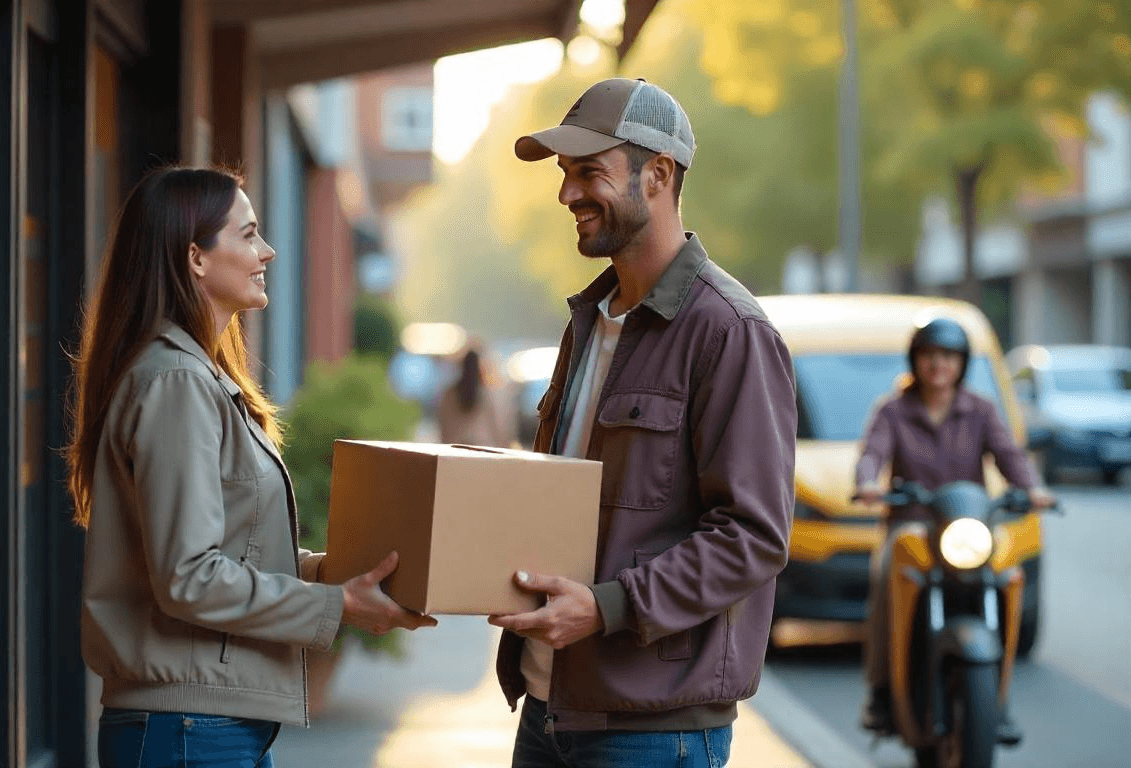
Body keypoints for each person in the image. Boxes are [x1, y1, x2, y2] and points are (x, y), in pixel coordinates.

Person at [66, 166, 435, 768]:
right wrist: (336, 605)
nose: (268, 250)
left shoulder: (192, 377)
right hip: (187, 730)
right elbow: (189, 576)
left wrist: (333, 574)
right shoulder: (177, 383)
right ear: (197, 258)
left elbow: (222, 554)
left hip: (204, 726)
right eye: (249, 234)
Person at [486, 77, 797, 768]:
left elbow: (753, 536)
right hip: (547, 708)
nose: (566, 194)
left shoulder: (728, 330)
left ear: (657, 175)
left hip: (652, 731)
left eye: (589, 172)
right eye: (565, 175)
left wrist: (605, 607)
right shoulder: (587, 323)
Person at [854, 316, 1054, 743]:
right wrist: (868, 482)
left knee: (1008, 578)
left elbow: (1008, 455)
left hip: (970, 527)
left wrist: (1032, 489)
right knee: (885, 581)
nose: (938, 364)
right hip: (912, 528)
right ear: (915, 360)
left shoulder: (981, 409)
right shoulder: (892, 410)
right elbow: (873, 452)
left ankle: (996, 702)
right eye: (929, 355)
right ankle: (879, 692)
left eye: (948, 356)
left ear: (961, 363)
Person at [437, 348, 512, 447]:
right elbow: (495, 427)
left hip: (453, 447)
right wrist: (505, 447)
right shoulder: (484, 395)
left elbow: (443, 424)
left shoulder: (449, 393)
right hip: (476, 449)